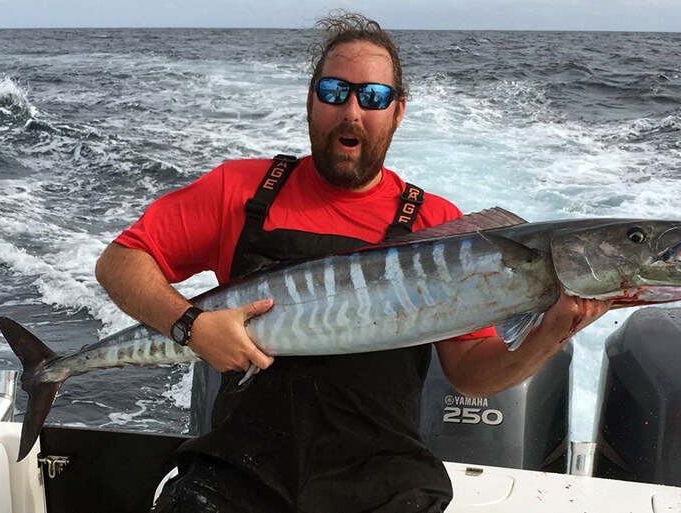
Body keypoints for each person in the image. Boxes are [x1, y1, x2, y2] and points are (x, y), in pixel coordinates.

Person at [95, 12, 611, 513]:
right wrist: (192, 326)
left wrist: (551, 333)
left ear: (397, 111)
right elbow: (120, 262)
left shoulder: (441, 224)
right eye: (334, 92)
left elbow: (471, 376)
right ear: (310, 101)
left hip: (383, 484)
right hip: (238, 474)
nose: (352, 112)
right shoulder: (240, 189)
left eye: (374, 96)